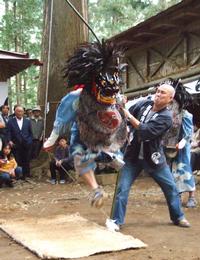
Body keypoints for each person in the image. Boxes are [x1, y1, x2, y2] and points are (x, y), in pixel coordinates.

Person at [43, 41, 127, 208]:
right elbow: (62, 119)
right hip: (87, 132)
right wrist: (52, 140)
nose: (108, 96)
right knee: (81, 157)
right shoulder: (77, 97)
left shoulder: (113, 95)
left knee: (93, 152)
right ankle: (97, 187)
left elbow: (120, 115)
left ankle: (111, 157)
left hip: (105, 134)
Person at [109, 83, 191, 231]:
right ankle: (116, 221)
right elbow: (125, 115)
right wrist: (120, 105)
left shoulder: (166, 117)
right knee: (122, 189)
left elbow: (145, 131)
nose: (158, 94)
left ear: (170, 99)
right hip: (132, 157)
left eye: (163, 93)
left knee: (171, 188)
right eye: (158, 91)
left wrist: (127, 113)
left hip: (154, 158)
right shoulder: (144, 104)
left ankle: (178, 216)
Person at [162, 79, 197, 208]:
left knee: (184, 169)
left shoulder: (186, 115)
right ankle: (177, 195)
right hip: (169, 145)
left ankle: (192, 196)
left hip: (182, 146)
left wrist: (181, 144)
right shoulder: (166, 113)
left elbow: (188, 134)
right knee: (171, 171)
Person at [7, 106, 33, 179]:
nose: (19, 113)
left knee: (26, 159)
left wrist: (30, 141)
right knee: (17, 160)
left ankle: (27, 174)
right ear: (15, 112)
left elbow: (31, 133)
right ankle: (19, 175)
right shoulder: (10, 121)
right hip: (15, 144)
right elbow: (8, 132)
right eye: (18, 111)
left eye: (21, 111)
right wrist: (9, 140)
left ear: (23, 112)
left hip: (26, 144)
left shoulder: (27, 121)